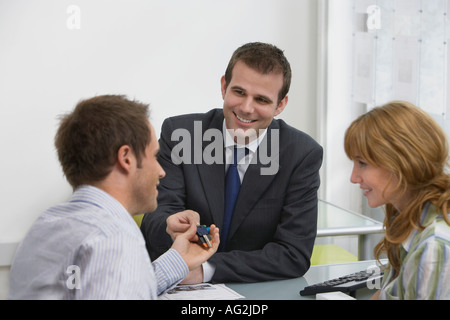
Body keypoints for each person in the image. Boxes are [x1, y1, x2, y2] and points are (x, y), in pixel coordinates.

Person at [141, 42, 323, 283]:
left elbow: (293, 255)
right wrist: (169, 225)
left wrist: (206, 270)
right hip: (174, 285)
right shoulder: (180, 134)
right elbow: (153, 220)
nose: (246, 108)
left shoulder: (301, 154)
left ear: (280, 105)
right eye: (239, 92)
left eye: (261, 99)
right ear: (224, 86)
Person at [8, 95, 219, 299]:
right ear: (126, 158)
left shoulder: (45, 225)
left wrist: (179, 260)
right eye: (154, 156)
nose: (161, 171)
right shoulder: (114, 238)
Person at [344, 101, 450, 300]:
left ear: (402, 162)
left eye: (362, 163)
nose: (354, 177)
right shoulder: (407, 220)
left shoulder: (434, 248)